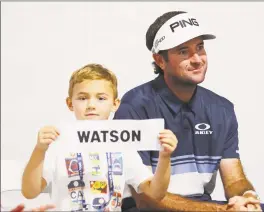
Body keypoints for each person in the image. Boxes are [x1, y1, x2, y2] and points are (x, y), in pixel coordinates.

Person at [114, 11, 264, 211]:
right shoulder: (134, 106)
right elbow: (145, 200)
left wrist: (247, 198)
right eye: (183, 51)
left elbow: (234, 180)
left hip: (203, 205)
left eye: (200, 48)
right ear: (160, 60)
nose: (197, 59)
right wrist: (221, 210)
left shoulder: (221, 109)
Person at [21, 64, 178, 211]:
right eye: (82, 98)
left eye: (101, 98)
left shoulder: (123, 146)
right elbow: (30, 192)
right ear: (70, 103)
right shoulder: (58, 143)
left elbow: (155, 193)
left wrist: (165, 157)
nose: (91, 105)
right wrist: (39, 150)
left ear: (115, 104)